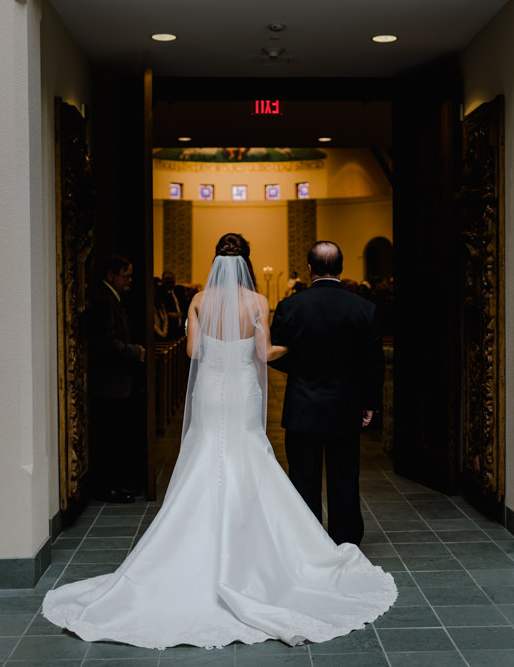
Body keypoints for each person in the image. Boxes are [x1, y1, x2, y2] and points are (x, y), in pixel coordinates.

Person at [42, 233, 396, 649]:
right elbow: (264, 355)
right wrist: (294, 348)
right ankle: (276, 549)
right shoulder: (258, 303)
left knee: (207, 455)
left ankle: (187, 547)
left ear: (215, 262)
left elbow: (192, 351)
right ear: (247, 262)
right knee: (250, 455)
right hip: (243, 390)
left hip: (211, 390)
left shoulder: (198, 301)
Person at [269, 241, 385, 546]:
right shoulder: (364, 308)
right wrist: (370, 402)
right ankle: (345, 540)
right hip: (346, 405)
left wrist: (302, 369)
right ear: (342, 267)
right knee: (344, 476)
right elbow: (373, 362)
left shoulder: (290, 306)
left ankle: (307, 540)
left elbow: (276, 354)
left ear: (309, 269)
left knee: (303, 477)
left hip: (303, 404)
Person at [86, 254, 146, 503]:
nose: (130, 280)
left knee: (117, 436)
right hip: (110, 382)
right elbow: (106, 343)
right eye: (126, 275)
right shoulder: (103, 301)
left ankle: (118, 484)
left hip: (118, 382)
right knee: (109, 438)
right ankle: (108, 487)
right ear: (111, 275)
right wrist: (136, 351)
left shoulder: (113, 298)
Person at [159, 270, 188, 338]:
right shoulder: (160, 293)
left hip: (181, 330)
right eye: (167, 279)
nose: (170, 282)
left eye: (171, 279)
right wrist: (168, 315)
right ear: (163, 280)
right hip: (168, 330)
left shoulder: (178, 291)